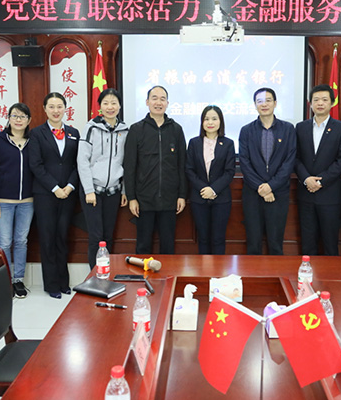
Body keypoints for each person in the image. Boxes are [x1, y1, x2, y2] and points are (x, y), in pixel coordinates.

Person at [124, 85, 187, 254]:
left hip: (169, 199)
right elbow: (129, 166)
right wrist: (131, 197)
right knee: (143, 246)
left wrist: (182, 195)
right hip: (144, 200)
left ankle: (168, 273)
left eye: (162, 99)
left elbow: (182, 165)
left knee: (168, 246)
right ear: (147, 102)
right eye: (154, 98)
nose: (158, 102)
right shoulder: (136, 129)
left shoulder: (176, 130)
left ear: (167, 103)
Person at [28, 92, 80, 299]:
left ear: (65, 108)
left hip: (68, 194)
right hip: (45, 195)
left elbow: (78, 164)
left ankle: (64, 282)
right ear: (45, 109)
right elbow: (36, 165)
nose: (56, 110)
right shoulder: (36, 133)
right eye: (51, 106)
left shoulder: (73, 133)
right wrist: (54, 187)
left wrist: (70, 186)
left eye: (59, 106)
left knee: (62, 237)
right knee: (47, 238)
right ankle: (51, 285)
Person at [0, 102, 33, 298]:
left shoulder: (33, 141)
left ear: (28, 120)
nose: (18, 120)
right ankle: (4, 281)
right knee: (4, 242)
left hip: (27, 202)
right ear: (8, 118)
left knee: (21, 241)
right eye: (14, 116)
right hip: (2, 203)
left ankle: (18, 280)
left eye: (22, 116)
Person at [238, 87, 296, 255]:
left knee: (275, 243)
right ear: (255, 105)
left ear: (275, 103)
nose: (264, 104)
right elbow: (244, 163)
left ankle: (276, 273)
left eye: (268, 100)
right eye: (260, 101)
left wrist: (270, 186)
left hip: (278, 193)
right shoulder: (246, 130)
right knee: (253, 243)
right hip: (253, 194)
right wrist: (261, 187)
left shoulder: (287, 129)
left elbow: (289, 161)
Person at [295, 84, 341, 256]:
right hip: (306, 194)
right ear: (310, 103)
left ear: (332, 103)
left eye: (325, 100)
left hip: (330, 195)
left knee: (330, 243)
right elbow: (295, 157)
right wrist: (306, 179)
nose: (320, 103)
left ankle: (330, 275)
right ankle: (307, 274)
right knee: (308, 243)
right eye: (316, 100)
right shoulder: (301, 127)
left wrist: (321, 181)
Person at [77, 88, 129, 268]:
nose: (110, 107)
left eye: (114, 103)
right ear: (100, 106)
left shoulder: (125, 130)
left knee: (108, 236)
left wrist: (124, 190)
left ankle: (106, 272)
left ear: (120, 106)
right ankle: (95, 276)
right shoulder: (91, 127)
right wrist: (88, 190)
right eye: (106, 103)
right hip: (93, 191)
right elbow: (82, 160)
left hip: (113, 191)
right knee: (96, 237)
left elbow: (126, 162)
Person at [185, 105, 236, 254]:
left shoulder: (228, 143)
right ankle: (204, 268)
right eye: (206, 119)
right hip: (199, 198)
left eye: (214, 118)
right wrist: (204, 189)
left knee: (218, 238)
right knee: (203, 238)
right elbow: (189, 169)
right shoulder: (194, 143)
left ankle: (218, 269)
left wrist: (213, 189)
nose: (210, 122)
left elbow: (229, 171)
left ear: (220, 121)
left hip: (221, 199)